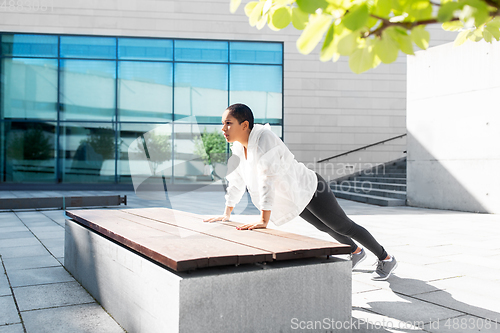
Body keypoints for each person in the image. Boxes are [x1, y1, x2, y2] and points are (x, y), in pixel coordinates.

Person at [203, 103, 397, 281]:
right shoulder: (238, 147)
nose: (223, 129)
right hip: (294, 195)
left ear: (244, 125)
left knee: (343, 226)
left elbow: (267, 178)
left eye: (228, 123)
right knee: (326, 227)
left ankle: (386, 258)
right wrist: (226, 213)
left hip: (310, 188)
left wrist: (264, 219)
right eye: (223, 124)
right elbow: (236, 178)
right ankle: (356, 252)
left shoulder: (264, 138)